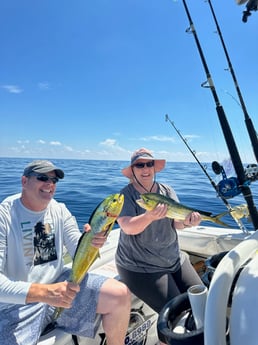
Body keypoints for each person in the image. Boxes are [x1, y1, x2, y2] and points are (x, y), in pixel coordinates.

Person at [0, 160, 131, 345]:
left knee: (120, 294)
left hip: (61, 286)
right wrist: (44, 292)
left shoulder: (59, 209)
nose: (50, 184)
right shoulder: (4, 215)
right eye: (42, 178)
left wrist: (94, 239)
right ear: (24, 181)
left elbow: (77, 248)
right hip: (18, 303)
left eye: (54, 180)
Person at [115, 148, 203, 343]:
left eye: (149, 164)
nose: (145, 169)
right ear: (133, 169)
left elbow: (176, 223)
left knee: (202, 300)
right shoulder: (125, 195)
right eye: (140, 165)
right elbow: (127, 227)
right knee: (175, 314)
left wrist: (189, 221)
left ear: (154, 167)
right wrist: (149, 216)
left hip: (173, 258)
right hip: (141, 266)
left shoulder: (167, 190)